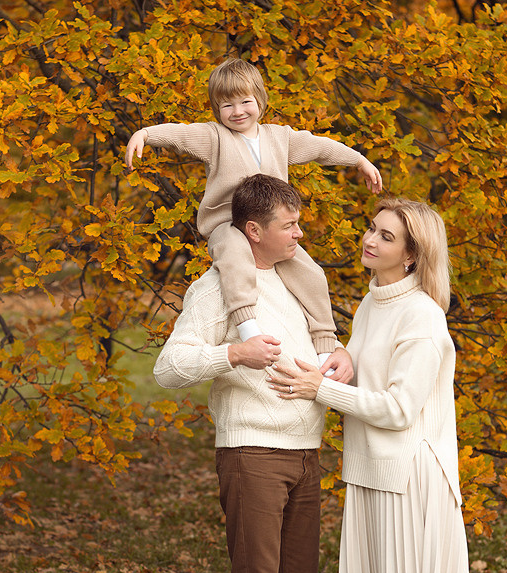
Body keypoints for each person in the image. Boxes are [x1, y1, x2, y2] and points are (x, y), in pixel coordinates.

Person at [153, 174, 360, 573]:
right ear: (253, 231)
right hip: (252, 452)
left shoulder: (295, 281)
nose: (300, 233)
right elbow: (169, 367)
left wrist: (339, 357)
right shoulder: (217, 289)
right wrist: (233, 353)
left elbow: (322, 346)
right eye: (289, 225)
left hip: (303, 450)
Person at [269, 197, 479, 573]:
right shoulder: (372, 302)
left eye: (386, 237)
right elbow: (371, 364)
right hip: (377, 469)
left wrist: (323, 389)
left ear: (412, 256)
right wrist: (344, 360)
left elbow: (399, 408)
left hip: (415, 474)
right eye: (372, 229)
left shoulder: (423, 317)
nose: (370, 240)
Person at [126, 57, 382, 366]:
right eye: (226, 105)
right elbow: (179, 134)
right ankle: (249, 328)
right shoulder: (213, 137)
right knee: (235, 257)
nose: (237, 112)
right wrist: (145, 134)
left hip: (271, 227)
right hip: (228, 224)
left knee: (310, 272)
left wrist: (358, 160)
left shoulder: (279, 137)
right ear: (215, 109)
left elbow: (319, 148)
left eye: (245, 101)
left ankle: (325, 345)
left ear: (260, 100)